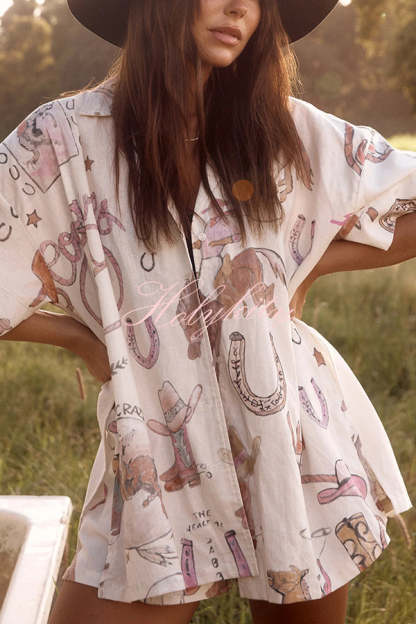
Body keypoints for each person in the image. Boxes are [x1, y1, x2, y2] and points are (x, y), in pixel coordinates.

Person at [0, 1, 414, 623]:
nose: (240, 7)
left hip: (293, 449)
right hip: (155, 457)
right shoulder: (62, 138)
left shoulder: (287, 130)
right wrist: (80, 340)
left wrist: (305, 265)